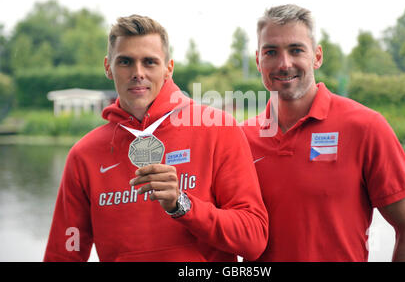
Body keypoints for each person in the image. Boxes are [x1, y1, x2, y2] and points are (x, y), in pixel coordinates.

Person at [44, 15, 268, 262]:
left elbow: (253, 238)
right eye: (125, 62)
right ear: (108, 67)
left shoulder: (218, 129)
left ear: (168, 68)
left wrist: (182, 204)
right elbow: (64, 253)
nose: (138, 73)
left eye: (149, 62)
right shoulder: (84, 154)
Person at [240, 4, 405, 262]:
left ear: (317, 56)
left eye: (296, 50)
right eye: (271, 52)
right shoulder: (239, 139)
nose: (284, 64)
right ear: (258, 61)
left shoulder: (366, 127)